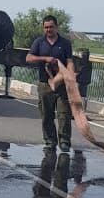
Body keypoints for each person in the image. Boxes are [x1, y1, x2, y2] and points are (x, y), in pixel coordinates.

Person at [26, 14, 74, 151]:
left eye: (51, 27)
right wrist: (44, 58)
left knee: (64, 114)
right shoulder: (39, 42)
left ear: (56, 27)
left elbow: (70, 62)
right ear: (43, 28)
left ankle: (64, 142)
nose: (48, 30)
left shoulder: (65, 43)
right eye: (46, 27)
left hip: (62, 84)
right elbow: (28, 58)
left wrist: (70, 75)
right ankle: (50, 141)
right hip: (44, 83)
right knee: (46, 114)